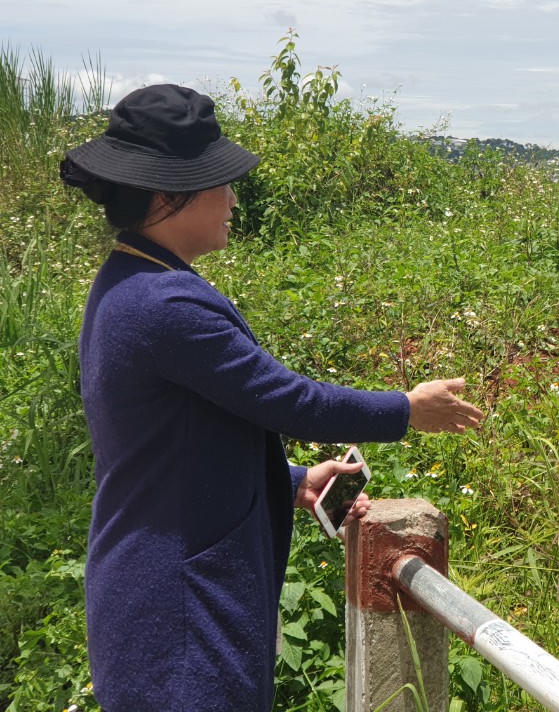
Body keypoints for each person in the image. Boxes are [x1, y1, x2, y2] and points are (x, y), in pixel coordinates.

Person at [60, 83, 484, 712]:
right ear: (166, 194)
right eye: (220, 182)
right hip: (182, 612)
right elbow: (289, 400)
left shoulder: (133, 280)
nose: (233, 198)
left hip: (157, 587)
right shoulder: (166, 304)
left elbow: (173, 442)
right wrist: (406, 409)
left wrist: (291, 482)